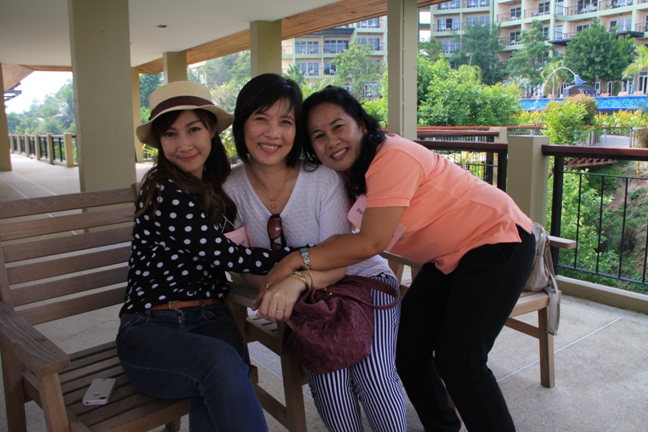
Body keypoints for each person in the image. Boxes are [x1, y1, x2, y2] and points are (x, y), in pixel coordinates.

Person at [263, 86, 537, 432]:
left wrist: (294, 261)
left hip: (497, 241)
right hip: (447, 258)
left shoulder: (392, 157)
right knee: (408, 349)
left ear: (362, 124)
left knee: (461, 362)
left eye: (338, 126)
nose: (331, 141)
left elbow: (370, 242)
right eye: (318, 136)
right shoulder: (349, 173)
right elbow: (343, 237)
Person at [223, 73, 407, 432]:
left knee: (374, 376)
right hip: (310, 303)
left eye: (285, 122)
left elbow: (338, 261)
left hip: (363, 280)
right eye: (261, 119)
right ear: (242, 123)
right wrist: (282, 291)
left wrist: (293, 283)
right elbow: (241, 264)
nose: (273, 133)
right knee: (329, 381)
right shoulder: (230, 188)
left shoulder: (322, 179)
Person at [116, 81, 293, 432]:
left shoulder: (215, 186)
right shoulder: (163, 189)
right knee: (219, 363)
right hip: (151, 327)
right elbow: (227, 255)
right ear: (160, 141)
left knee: (218, 376)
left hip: (212, 317)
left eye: (193, 129)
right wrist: (301, 256)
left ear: (211, 130)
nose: (183, 144)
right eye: (170, 134)